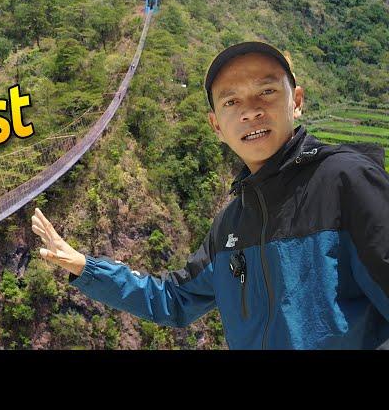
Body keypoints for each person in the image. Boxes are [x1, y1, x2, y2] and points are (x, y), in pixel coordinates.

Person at [31, 41, 389, 349]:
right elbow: (174, 300)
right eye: (231, 102)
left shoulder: (346, 181)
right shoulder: (230, 226)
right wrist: (85, 267)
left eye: (266, 91)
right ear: (216, 125)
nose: (250, 110)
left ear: (296, 101)